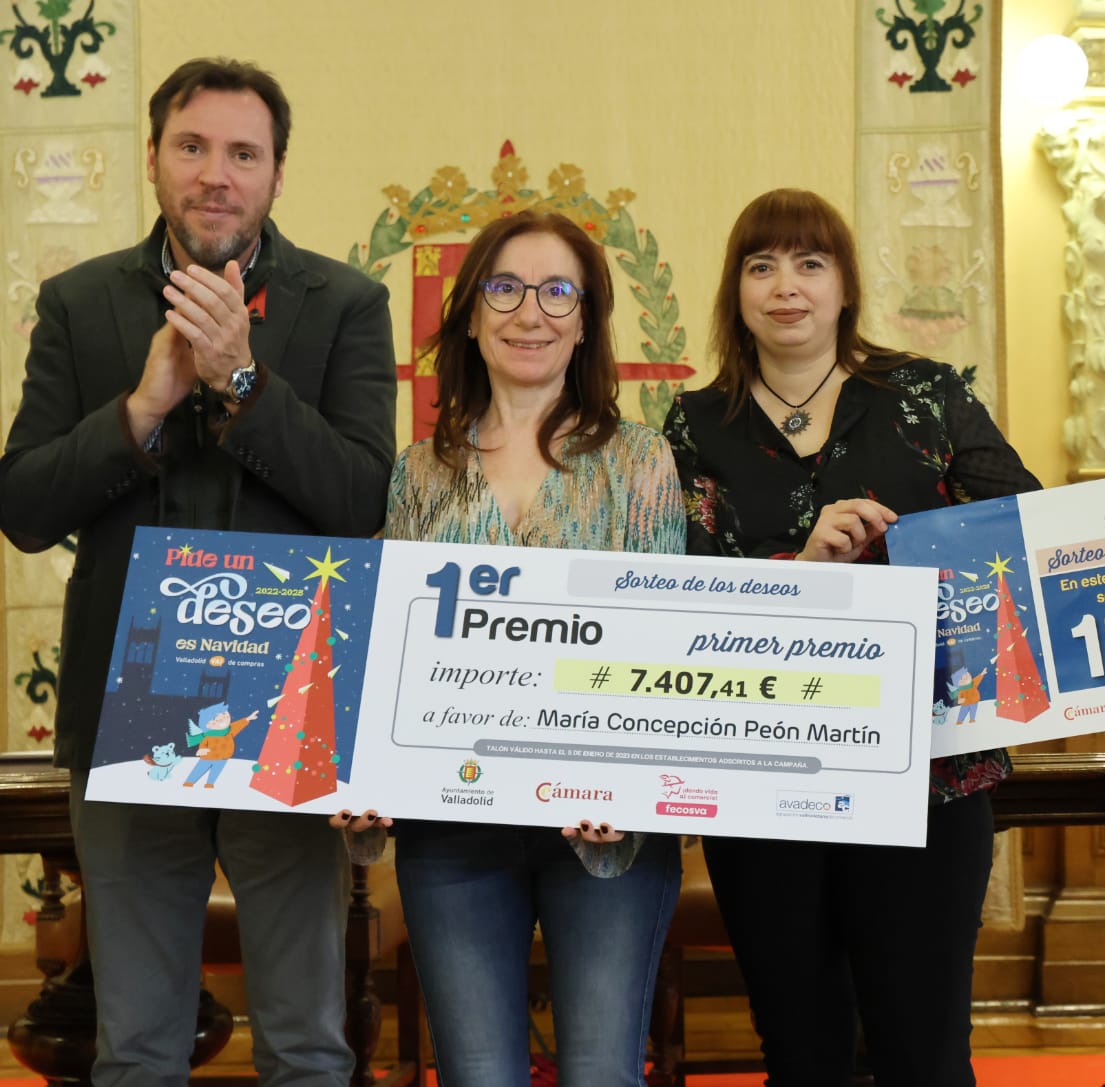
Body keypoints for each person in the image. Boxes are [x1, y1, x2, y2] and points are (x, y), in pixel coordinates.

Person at [0, 58, 397, 1086]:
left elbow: (362, 501)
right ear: (153, 158)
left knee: (306, 1046)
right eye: (192, 146)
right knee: (136, 1048)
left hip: (289, 703)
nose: (216, 173)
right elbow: (25, 509)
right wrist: (140, 409)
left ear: (275, 174)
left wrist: (241, 380)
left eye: (243, 153)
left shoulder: (346, 303)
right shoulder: (80, 303)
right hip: (126, 708)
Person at [660, 188, 1040, 1087]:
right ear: (735, 290)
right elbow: (683, 598)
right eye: (761, 266)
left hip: (926, 772)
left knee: (925, 1050)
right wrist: (803, 566)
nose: (785, 286)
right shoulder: (693, 423)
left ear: (845, 285)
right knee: (802, 1051)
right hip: (762, 776)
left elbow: (1023, 527)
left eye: (809, 263)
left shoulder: (926, 395)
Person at [333, 210, 685, 1087]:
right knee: (478, 1076)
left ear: (587, 319)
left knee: (602, 1073)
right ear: (470, 315)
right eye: (505, 288)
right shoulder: (419, 472)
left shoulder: (642, 461)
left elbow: (665, 648)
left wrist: (632, 784)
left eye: (558, 290)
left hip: (604, 832)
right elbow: (392, 655)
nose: (531, 312)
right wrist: (362, 781)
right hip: (453, 830)